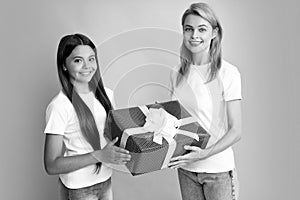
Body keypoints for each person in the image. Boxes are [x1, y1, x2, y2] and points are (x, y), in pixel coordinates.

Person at [168, 3, 242, 200]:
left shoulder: (227, 73)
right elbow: (175, 121)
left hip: (217, 170)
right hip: (186, 168)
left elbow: (236, 131)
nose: (194, 36)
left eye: (202, 29)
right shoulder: (177, 73)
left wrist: (204, 154)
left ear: (214, 33)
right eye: (188, 29)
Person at [43, 33, 131, 200]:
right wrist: (99, 155)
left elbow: (114, 136)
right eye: (78, 60)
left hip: (105, 180)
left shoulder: (107, 96)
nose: (87, 66)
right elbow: (51, 164)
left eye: (91, 59)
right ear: (64, 65)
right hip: (78, 189)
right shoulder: (60, 106)